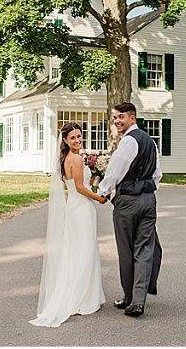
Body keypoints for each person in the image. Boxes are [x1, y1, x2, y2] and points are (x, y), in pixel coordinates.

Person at [30, 122, 106, 327]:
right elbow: (81, 188)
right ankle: (82, 297)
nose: (77, 140)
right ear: (65, 140)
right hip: (82, 208)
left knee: (74, 250)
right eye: (73, 138)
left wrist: (96, 177)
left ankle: (78, 292)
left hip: (72, 207)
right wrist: (99, 198)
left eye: (79, 137)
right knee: (85, 250)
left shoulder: (65, 159)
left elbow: (69, 185)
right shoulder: (77, 159)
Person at [98, 102, 163, 318]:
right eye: (115, 117)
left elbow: (115, 170)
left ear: (132, 118)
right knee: (144, 249)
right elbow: (157, 174)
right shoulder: (150, 142)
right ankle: (138, 301)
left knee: (126, 251)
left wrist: (104, 191)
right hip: (148, 200)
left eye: (121, 117)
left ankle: (130, 298)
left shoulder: (128, 142)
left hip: (128, 201)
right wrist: (146, 191)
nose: (117, 121)